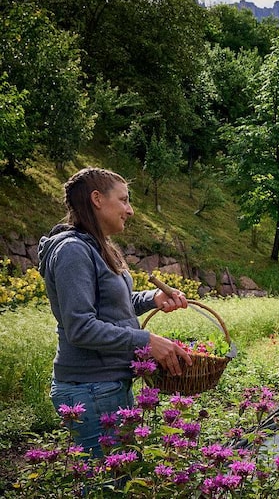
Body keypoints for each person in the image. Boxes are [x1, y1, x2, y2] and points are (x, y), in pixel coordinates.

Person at [38, 167, 193, 457]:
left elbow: (111, 306)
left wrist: (153, 298)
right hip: (90, 388)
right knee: (107, 484)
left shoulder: (96, 247)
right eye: (123, 200)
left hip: (105, 385)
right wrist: (145, 340)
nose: (130, 210)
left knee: (117, 480)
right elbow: (81, 327)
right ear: (97, 199)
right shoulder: (73, 251)